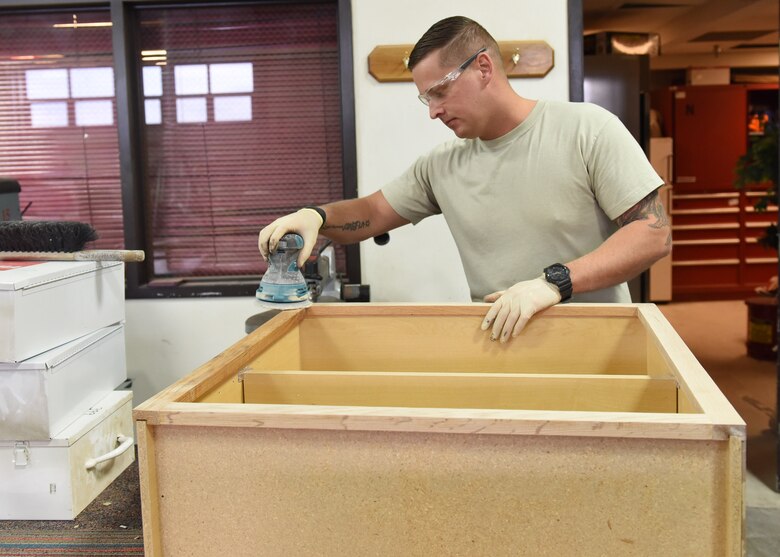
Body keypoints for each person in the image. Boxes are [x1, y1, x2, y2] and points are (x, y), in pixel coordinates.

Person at [258, 15, 671, 344]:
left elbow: (652, 234)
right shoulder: (441, 166)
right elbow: (372, 212)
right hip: (500, 350)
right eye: (426, 98)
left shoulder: (587, 129)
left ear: (484, 68)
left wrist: (555, 282)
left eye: (438, 92)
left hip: (596, 348)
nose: (433, 112)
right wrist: (314, 216)